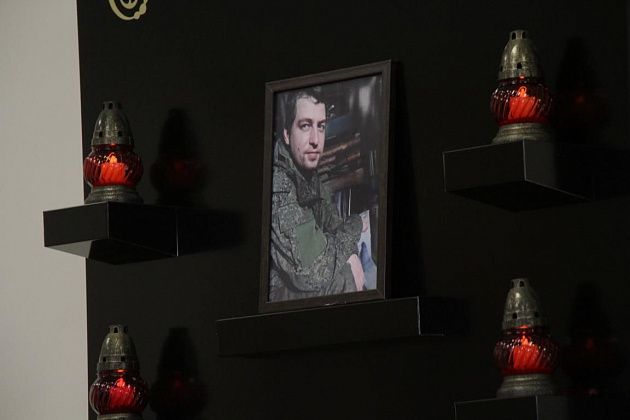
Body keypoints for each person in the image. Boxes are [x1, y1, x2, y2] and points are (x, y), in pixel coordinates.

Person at [269, 88, 366, 302]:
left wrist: (350, 253)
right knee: (344, 281)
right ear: (287, 134)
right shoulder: (278, 184)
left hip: (307, 271)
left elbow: (330, 219)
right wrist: (356, 225)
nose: (315, 140)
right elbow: (314, 271)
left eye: (320, 126)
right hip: (273, 293)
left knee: (353, 266)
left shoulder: (305, 167)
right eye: (305, 125)